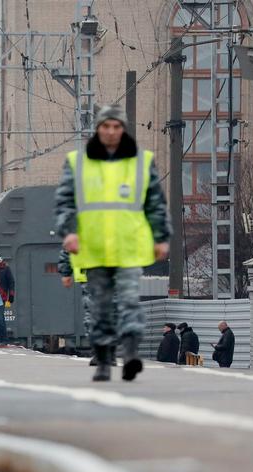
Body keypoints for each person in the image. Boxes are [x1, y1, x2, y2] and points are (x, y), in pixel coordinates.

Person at [55, 104, 170, 381]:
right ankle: (104, 359)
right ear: (98, 129)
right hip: (93, 250)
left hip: (128, 248)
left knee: (130, 301)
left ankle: (130, 354)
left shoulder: (142, 162)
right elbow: (65, 203)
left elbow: (155, 203)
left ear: (123, 129)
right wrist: (69, 232)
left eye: (116, 126)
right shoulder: (77, 163)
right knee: (100, 308)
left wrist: (160, 236)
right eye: (105, 126)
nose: (111, 131)